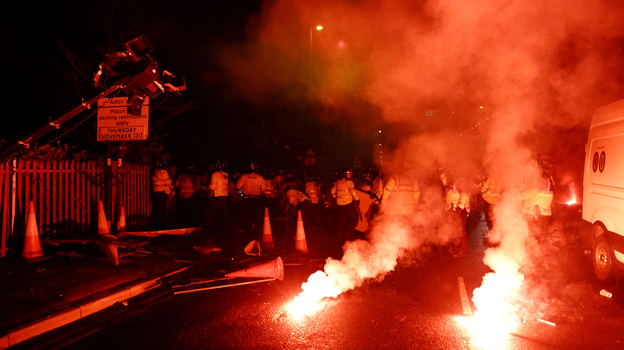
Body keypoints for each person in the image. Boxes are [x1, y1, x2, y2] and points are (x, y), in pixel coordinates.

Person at [237, 162, 266, 240]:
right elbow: (263, 189)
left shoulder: (244, 177)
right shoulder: (259, 177)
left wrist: (242, 191)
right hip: (256, 199)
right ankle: (257, 234)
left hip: (246, 199)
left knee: (246, 216)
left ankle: (248, 234)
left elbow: (238, 186)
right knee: (256, 216)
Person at [331, 168, 361, 240]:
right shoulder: (349, 182)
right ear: (345, 174)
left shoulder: (337, 182)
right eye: (349, 173)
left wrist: (338, 198)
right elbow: (352, 191)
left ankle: (340, 234)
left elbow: (332, 191)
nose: (350, 175)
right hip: (348, 204)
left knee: (342, 219)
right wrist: (357, 199)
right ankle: (348, 233)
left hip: (339, 204)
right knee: (355, 218)